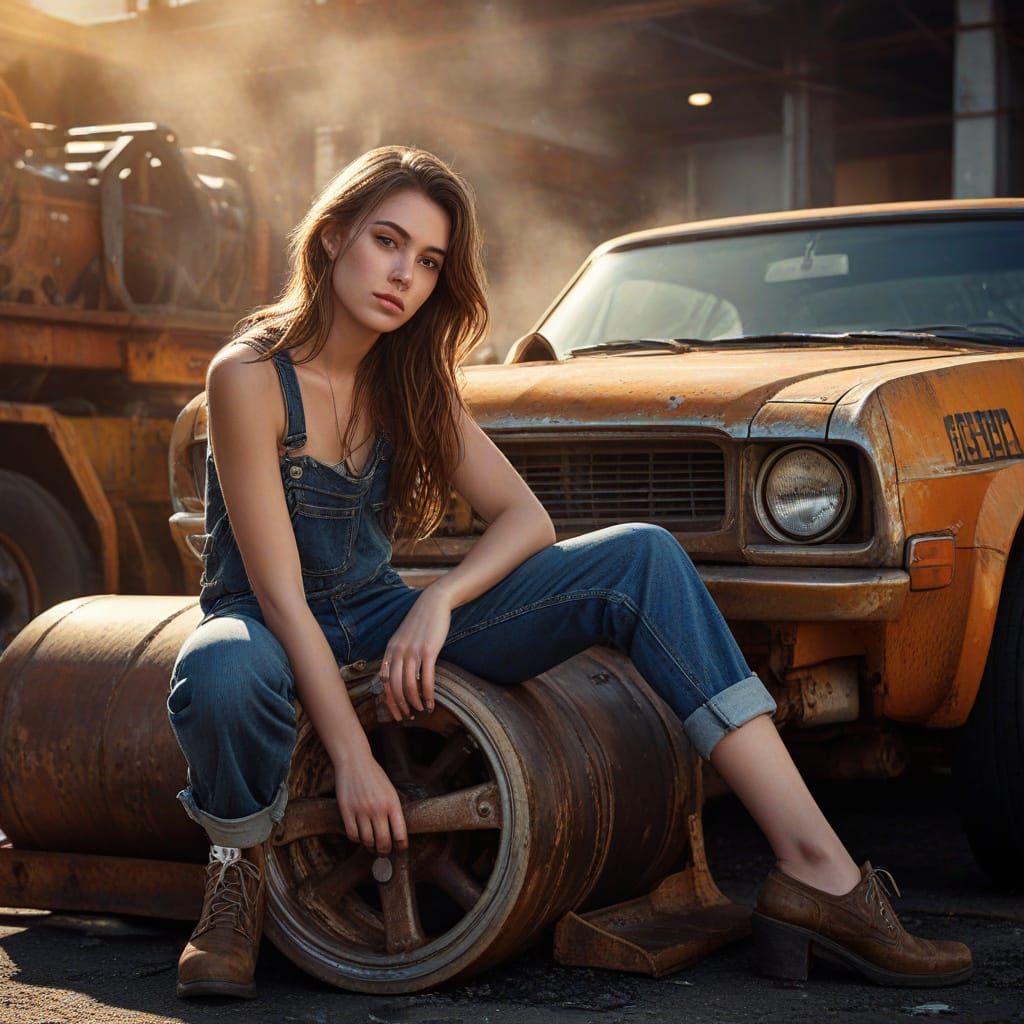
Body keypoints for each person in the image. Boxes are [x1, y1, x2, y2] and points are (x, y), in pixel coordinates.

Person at [166, 145, 972, 1000]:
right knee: (223, 670)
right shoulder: (248, 375)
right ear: (332, 239)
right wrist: (355, 756)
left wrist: (439, 598)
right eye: (387, 242)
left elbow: (528, 520)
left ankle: (820, 873)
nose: (404, 275)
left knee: (643, 558)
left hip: (376, 613)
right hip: (261, 615)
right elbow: (284, 597)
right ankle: (232, 882)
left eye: (429, 261)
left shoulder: (412, 384)